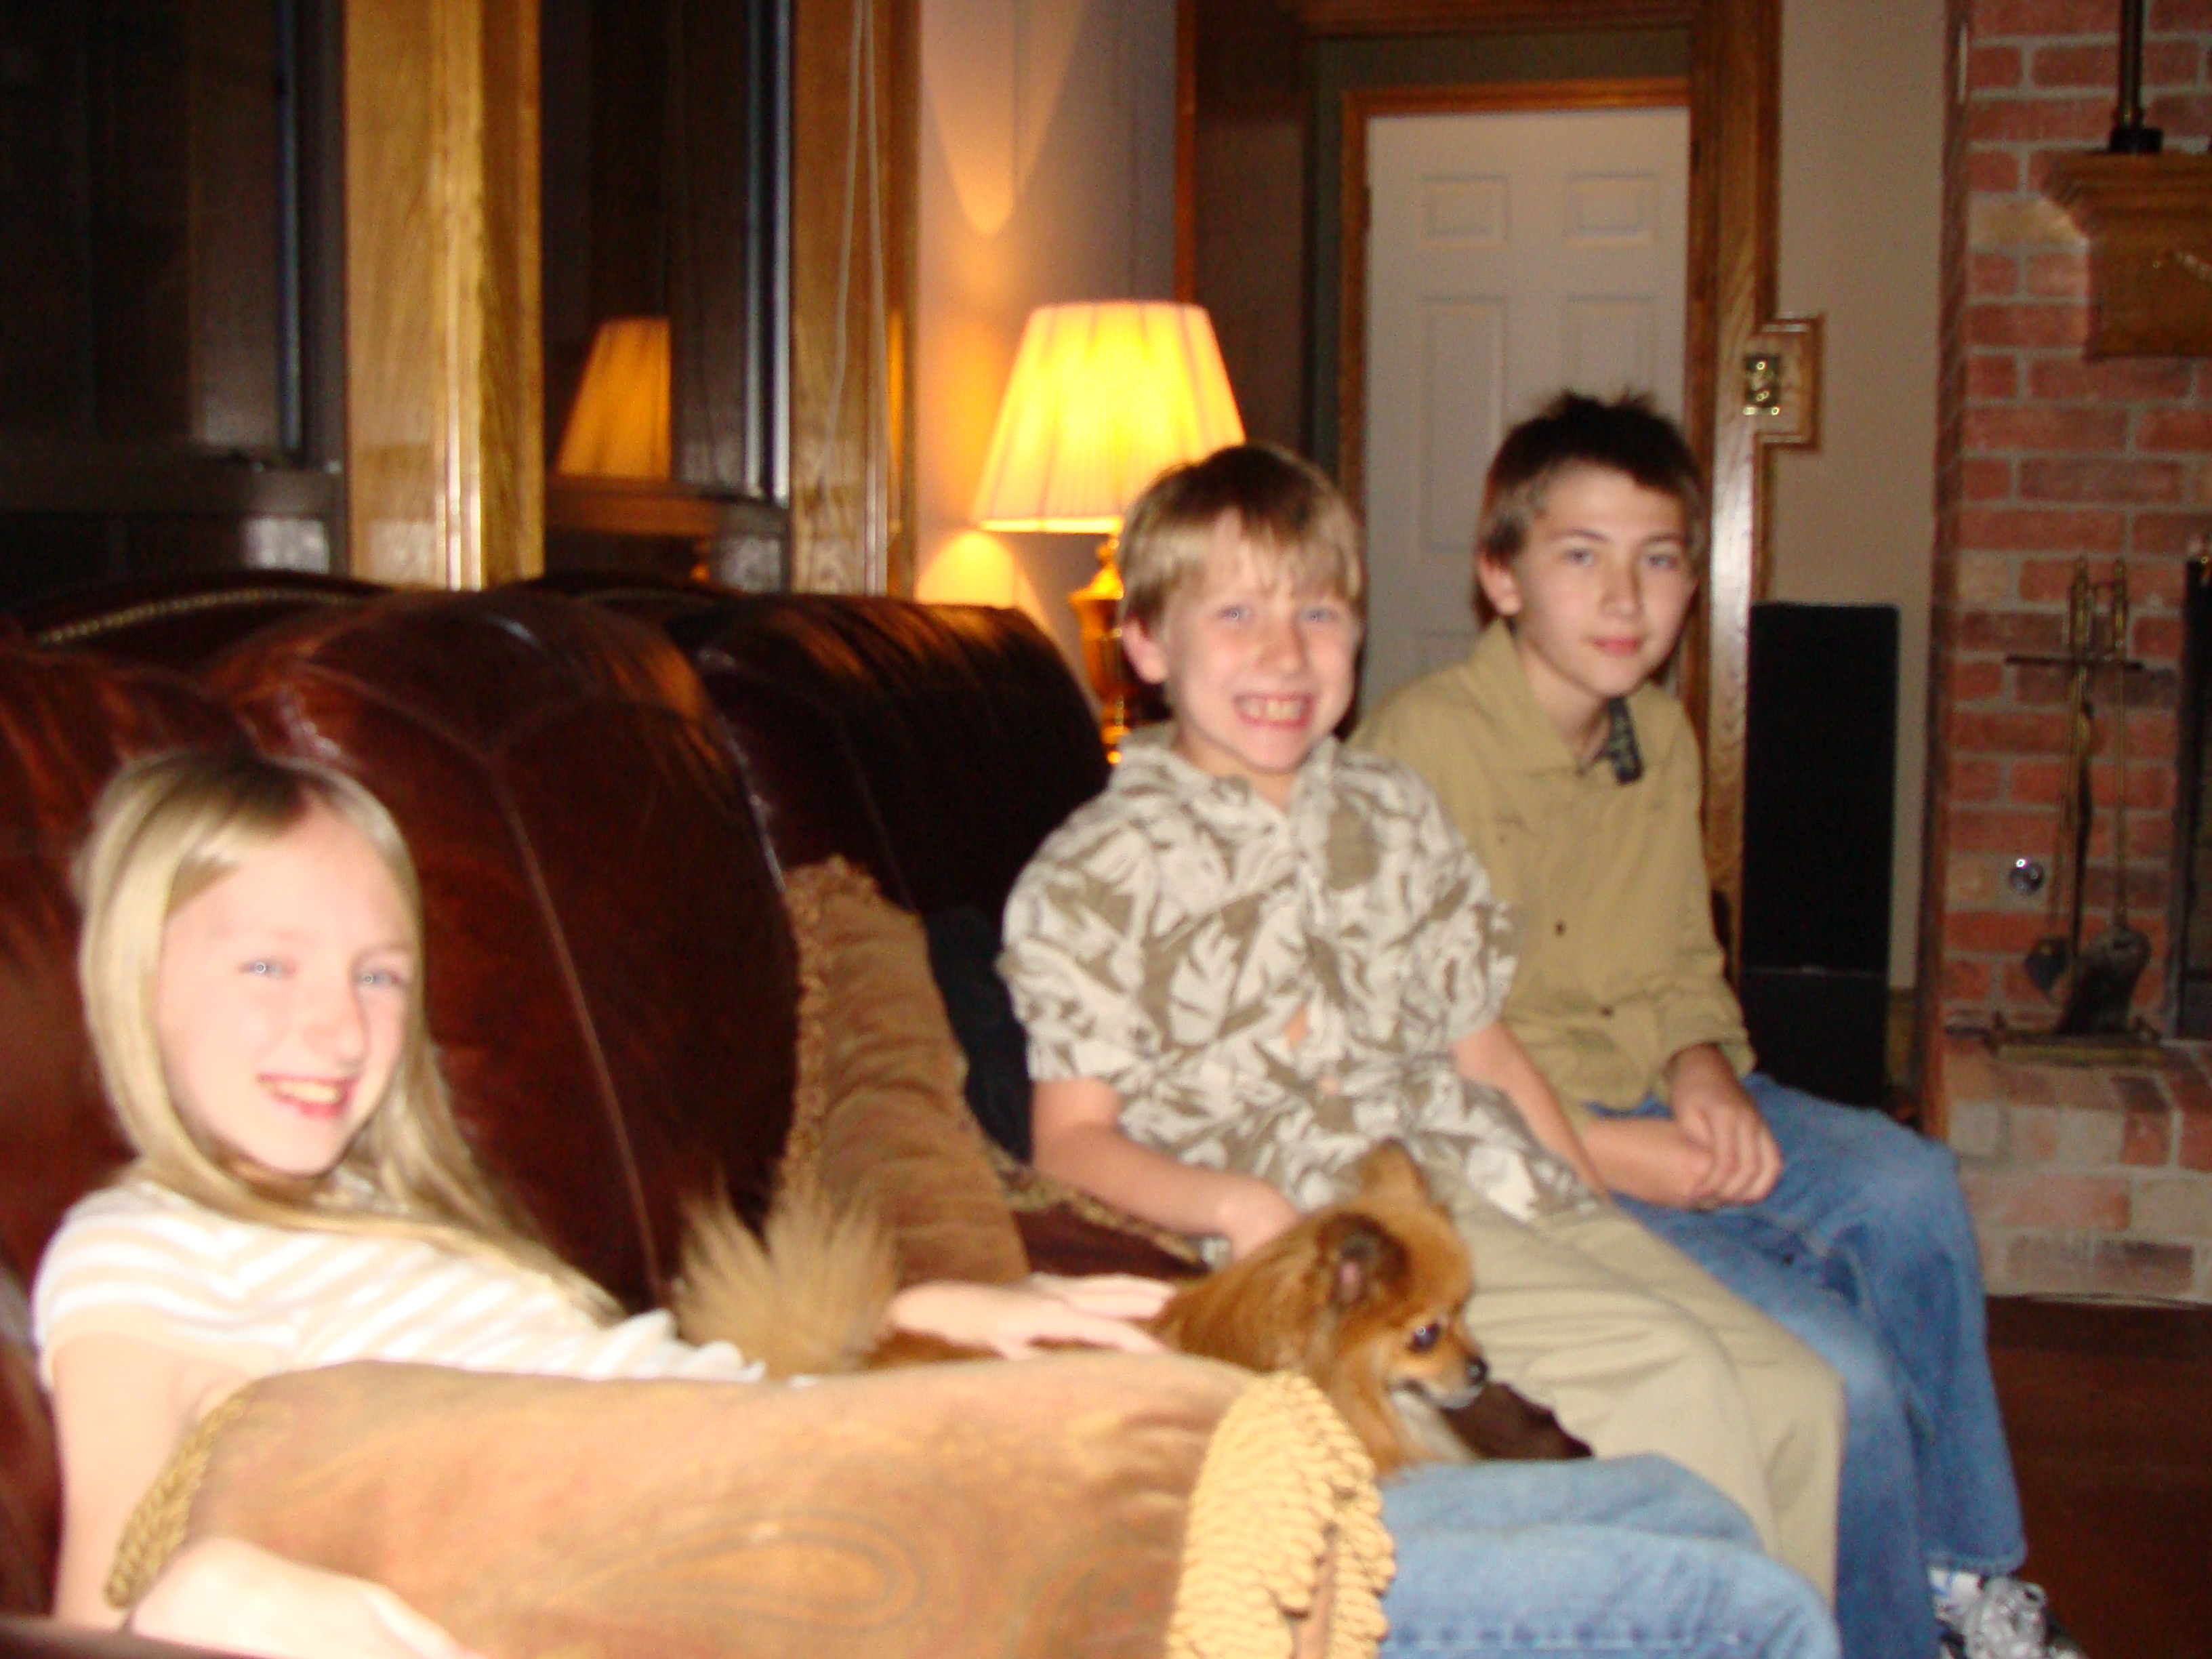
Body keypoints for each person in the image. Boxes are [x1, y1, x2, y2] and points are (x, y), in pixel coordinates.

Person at [33, 746, 1839, 1659]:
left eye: (373, 974)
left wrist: (940, 1311)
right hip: (875, 1551)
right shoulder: (141, 1252)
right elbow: (111, 1598)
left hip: (815, 1446)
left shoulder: (396, 1217)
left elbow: (644, 1379)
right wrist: (246, 1595)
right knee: (1721, 1614)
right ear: (134, 973)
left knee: (1689, 1513)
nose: (334, 1027)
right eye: (265, 966)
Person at [998, 443, 1846, 1606]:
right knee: (1680, 1385)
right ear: (1145, 642)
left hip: (1486, 1177)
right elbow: (1069, 1142)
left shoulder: (1392, 807)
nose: (1285, 654)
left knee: (1800, 1398)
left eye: (1320, 614)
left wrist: (1591, 1209)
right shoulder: (1093, 871)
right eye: (1236, 614)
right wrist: (1238, 1207)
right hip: (1346, 1237)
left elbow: (1482, 1043)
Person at [1357, 390, 2077, 1659]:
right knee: (1844, 1376)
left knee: (1911, 1185)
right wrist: (1615, 1154)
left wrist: (1705, 1072)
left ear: (1695, 582)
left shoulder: (1663, 736)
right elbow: (1408, 1057)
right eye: (1582, 557)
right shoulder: (1418, 753)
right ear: (1501, 578)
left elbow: (1685, 963)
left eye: (1660, 561)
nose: (1625, 598)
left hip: (1653, 1092)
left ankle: (1961, 1573)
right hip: (1530, 1142)